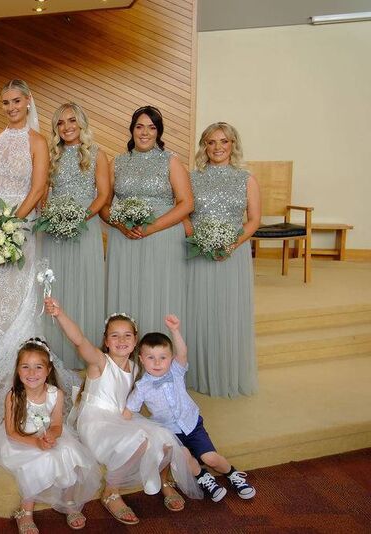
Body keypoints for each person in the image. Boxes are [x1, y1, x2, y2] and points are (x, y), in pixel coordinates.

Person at [0, 80, 80, 441]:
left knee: (21, 295)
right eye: (6, 102)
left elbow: (40, 186)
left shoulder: (37, 141)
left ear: (28, 102)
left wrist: (12, 222)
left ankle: (24, 362)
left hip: (22, 228)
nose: (11, 106)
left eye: (16, 100)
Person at [45, 297, 201, 525]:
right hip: (97, 420)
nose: (121, 340)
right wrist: (60, 314)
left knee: (166, 439)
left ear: (135, 340)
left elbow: (162, 380)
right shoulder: (100, 362)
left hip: (122, 416)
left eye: (127, 335)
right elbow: (78, 340)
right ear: (106, 341)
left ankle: (165, 481)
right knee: (138, 441)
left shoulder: (138, 367)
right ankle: (111, 491)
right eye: (114, 335)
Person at [125, 315, 257, 501]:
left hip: (191, 424)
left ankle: (231, 473)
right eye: (151, 357)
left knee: (210, 458)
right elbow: (129, 410)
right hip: (170, 432)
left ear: (171, 358)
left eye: (163, 357)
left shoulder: (175, 371)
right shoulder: (141, 387)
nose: (157, 362)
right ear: (141, 359)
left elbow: (183, 353)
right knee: (185, 458)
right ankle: (203, 477)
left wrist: (175, 330)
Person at [0, 338, 99, 533]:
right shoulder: (13, 396)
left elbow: (56, 425)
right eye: (25, 367)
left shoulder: (56, 394)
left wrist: (52, 436)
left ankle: (69, 500)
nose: (32, 373)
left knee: (70, 453)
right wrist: (35, 443)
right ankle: (26, 510)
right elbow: (11, 431)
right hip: (20, 438)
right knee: (36, 463)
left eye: (38, 367)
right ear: (18, 370)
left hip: (46, 434)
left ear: (48, 370)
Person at [101, 105, 193, 338]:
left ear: (158, 132)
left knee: (158, 293)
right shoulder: (117, 162)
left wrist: (151, 228)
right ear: (132, 130)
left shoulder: (170, 161)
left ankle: (160, 355)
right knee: (127, 292)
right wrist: (120, 225)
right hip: (124, 238)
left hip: (162, 237)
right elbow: (103, 204)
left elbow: (186, 203)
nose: (145, 133)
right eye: (139, 127)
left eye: (151, 128)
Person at [185, 122, 260, 397]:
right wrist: (198, 239)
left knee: (227, 312)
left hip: (232, 255)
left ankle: (227, 371)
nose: (217, 147)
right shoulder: (193, 178)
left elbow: (253, 221)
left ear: (233, 145)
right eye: (211, 142)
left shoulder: (246, 179)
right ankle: (199, 371)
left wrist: (232, 244)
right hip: (198, 253)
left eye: (223, 142)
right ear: (204, 146)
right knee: (199, 311)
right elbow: (184, 213)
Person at [43, 103, 110, 369]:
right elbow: (43, 194)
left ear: (81, 123)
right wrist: (53, 217)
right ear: (56, 128)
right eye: (60, 123)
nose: (67, 127)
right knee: (58, 284)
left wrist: (80, 218)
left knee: (85, 284)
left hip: (85, 227)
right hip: (55, 230)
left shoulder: (96, 154)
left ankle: (86, 351)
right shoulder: (51, 156)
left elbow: (103, 194)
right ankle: (56, 351)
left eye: (72, 121)